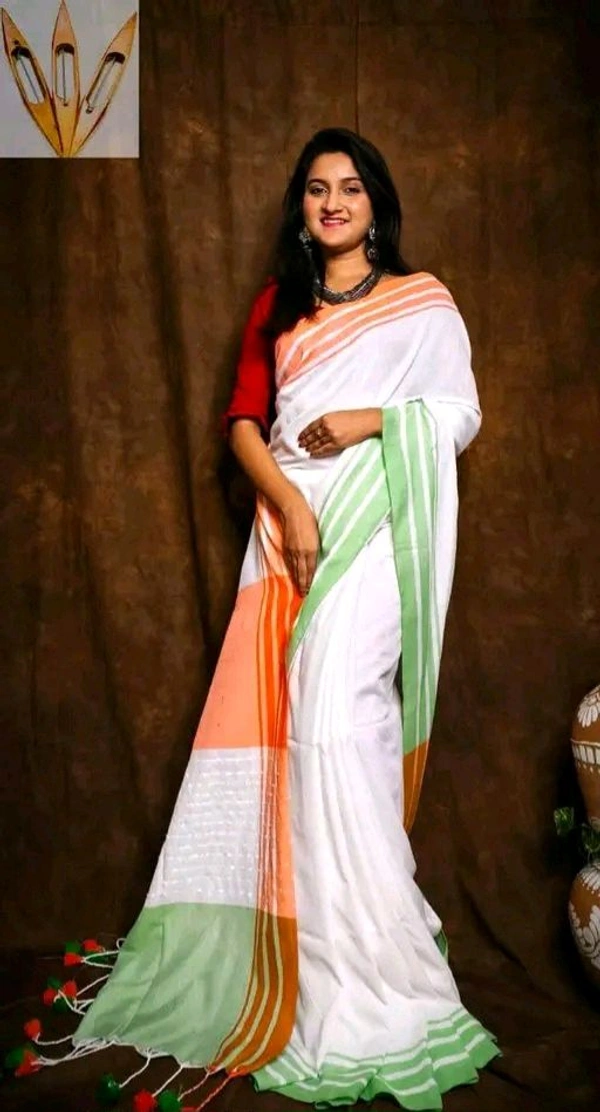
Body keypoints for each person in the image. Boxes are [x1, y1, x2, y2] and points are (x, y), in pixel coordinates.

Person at [72, 128, 499, 1108]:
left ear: (376, 203)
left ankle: (379, 955)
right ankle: (319, 946)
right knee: (303, 724)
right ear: (301, 208)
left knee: (340, 714)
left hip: (381, 521)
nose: (333, 202)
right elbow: (242, 425)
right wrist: (293, 506)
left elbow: (457, 413)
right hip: (288, 529)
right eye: (316, 189)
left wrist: (371, 420)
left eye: (350, 187)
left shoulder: (423, 300)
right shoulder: (280, 304)